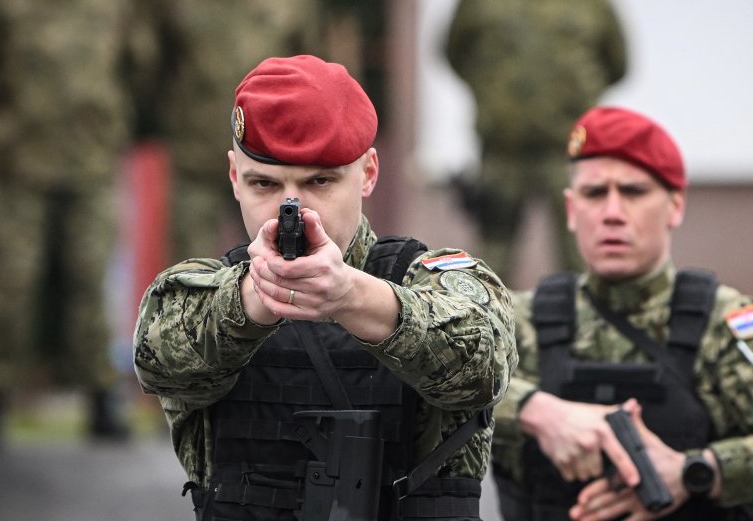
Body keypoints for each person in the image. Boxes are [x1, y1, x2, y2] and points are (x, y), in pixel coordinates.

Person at [133, 54, 517, 521]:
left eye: (319, 181)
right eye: (264, 184)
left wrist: (353, 297)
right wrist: (252, 300)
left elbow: (485, 364)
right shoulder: (199, 296)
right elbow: (157, 360)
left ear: (369, 173)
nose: (290, 207)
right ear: (234, 177)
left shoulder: (440, 281)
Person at [490, 106, 753, 521]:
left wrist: (697, 471)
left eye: (634, 192)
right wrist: (535, 410)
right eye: (594, 193)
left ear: (675, 206)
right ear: (570, 209)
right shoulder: (518, 321)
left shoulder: (720, 324)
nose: (612, 212)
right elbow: (420, 378)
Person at [0, 0, 157, 447]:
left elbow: (141, 62)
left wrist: (107, 116)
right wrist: (6, 120)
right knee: (12, 281)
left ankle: (99, 398)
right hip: (23, 161)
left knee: (91, 278)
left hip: (90, 159)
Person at [444, 0, 627, 281]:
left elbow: (618, 64)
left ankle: (589, 332)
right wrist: (492, 96)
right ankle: (490, 333)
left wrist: (574, 99)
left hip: (570, 149)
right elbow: (454, 52)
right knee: (491, 264)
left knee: (583, 253)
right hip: (502, 151)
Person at [148, 0, 319, 261]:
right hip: (196, 157)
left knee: (280, 261)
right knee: (188, 270)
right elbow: (150, 64)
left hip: (271, 159)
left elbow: (309, 66)